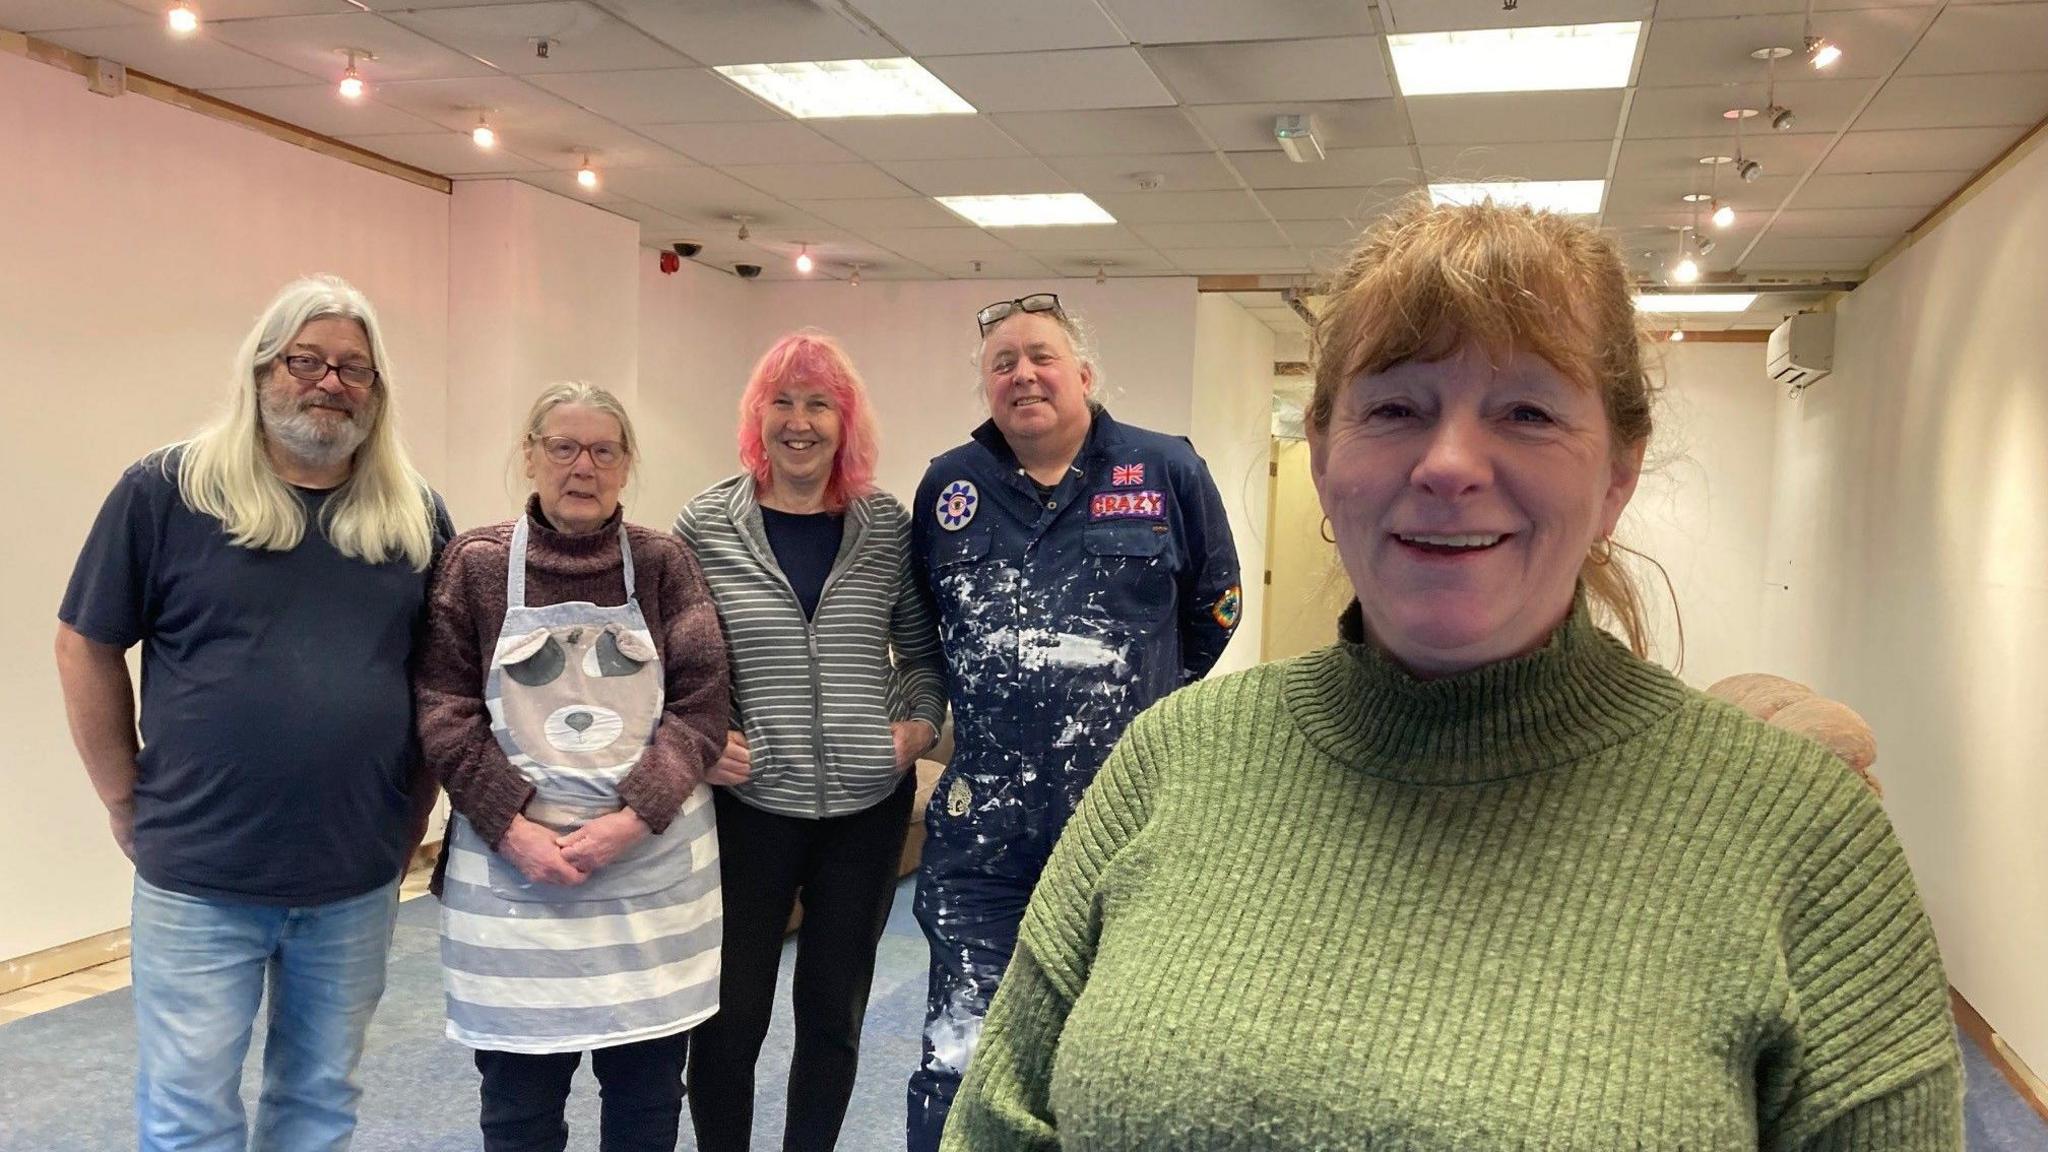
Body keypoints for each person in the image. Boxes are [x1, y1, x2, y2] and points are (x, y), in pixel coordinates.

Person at [942, 199, 1964, 1150]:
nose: (1447, 464)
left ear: (1616, 472)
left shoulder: (1802, 835)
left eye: (1524, 410)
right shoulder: (1170, 762)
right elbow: (995, 1122)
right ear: (1327, 455)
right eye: (1394, 408)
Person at [54, 274, 453, 1152]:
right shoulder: (166, 492)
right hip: (201, 872)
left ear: (378, 393)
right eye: (303, 359)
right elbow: (84, 643)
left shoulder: (413, 515)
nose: (328, 382)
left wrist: (413, 811)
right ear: (261, 370)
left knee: (318, 1105)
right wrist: (124, 797)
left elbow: (441, 678)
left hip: (354, 872)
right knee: (190, 1113)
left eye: (355, 368)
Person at [906, 294, 1243, 1151]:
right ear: (986, 388)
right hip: (985, 838)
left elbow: (1214, 610)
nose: (1023, 373)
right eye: (1003, 362)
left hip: (1129, 833)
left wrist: (1140, 705)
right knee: (964, 1052)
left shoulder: (1166, 470)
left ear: (1084, 373)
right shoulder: (952, 485)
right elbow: (926, 628)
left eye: (1041, 356)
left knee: (1120, 1059)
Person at [415, 382, 728, 1152]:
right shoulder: (477, 564)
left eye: (603, 450)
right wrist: (512, 829)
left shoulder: (664, 563)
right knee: (519, 1107)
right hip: (514, 881)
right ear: (530, 455)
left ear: (626, 466)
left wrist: (629, 821)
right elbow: (442, 705)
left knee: (648, 1101)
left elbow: (701, 707)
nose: (582, 466)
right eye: (563, 447)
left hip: (649, 876)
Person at [676, 330, 948, 1152]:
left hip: (868, 809)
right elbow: (679, 659)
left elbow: (922, 651)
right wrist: (706, 736)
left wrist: (916, 729)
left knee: (834, 1014)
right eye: (782, 402)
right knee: (729, 1018)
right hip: (749, 806)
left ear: (846, 420)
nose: (799, 422)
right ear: (757, 417)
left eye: (819, 403)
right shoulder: (706, 523)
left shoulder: (884, 524)